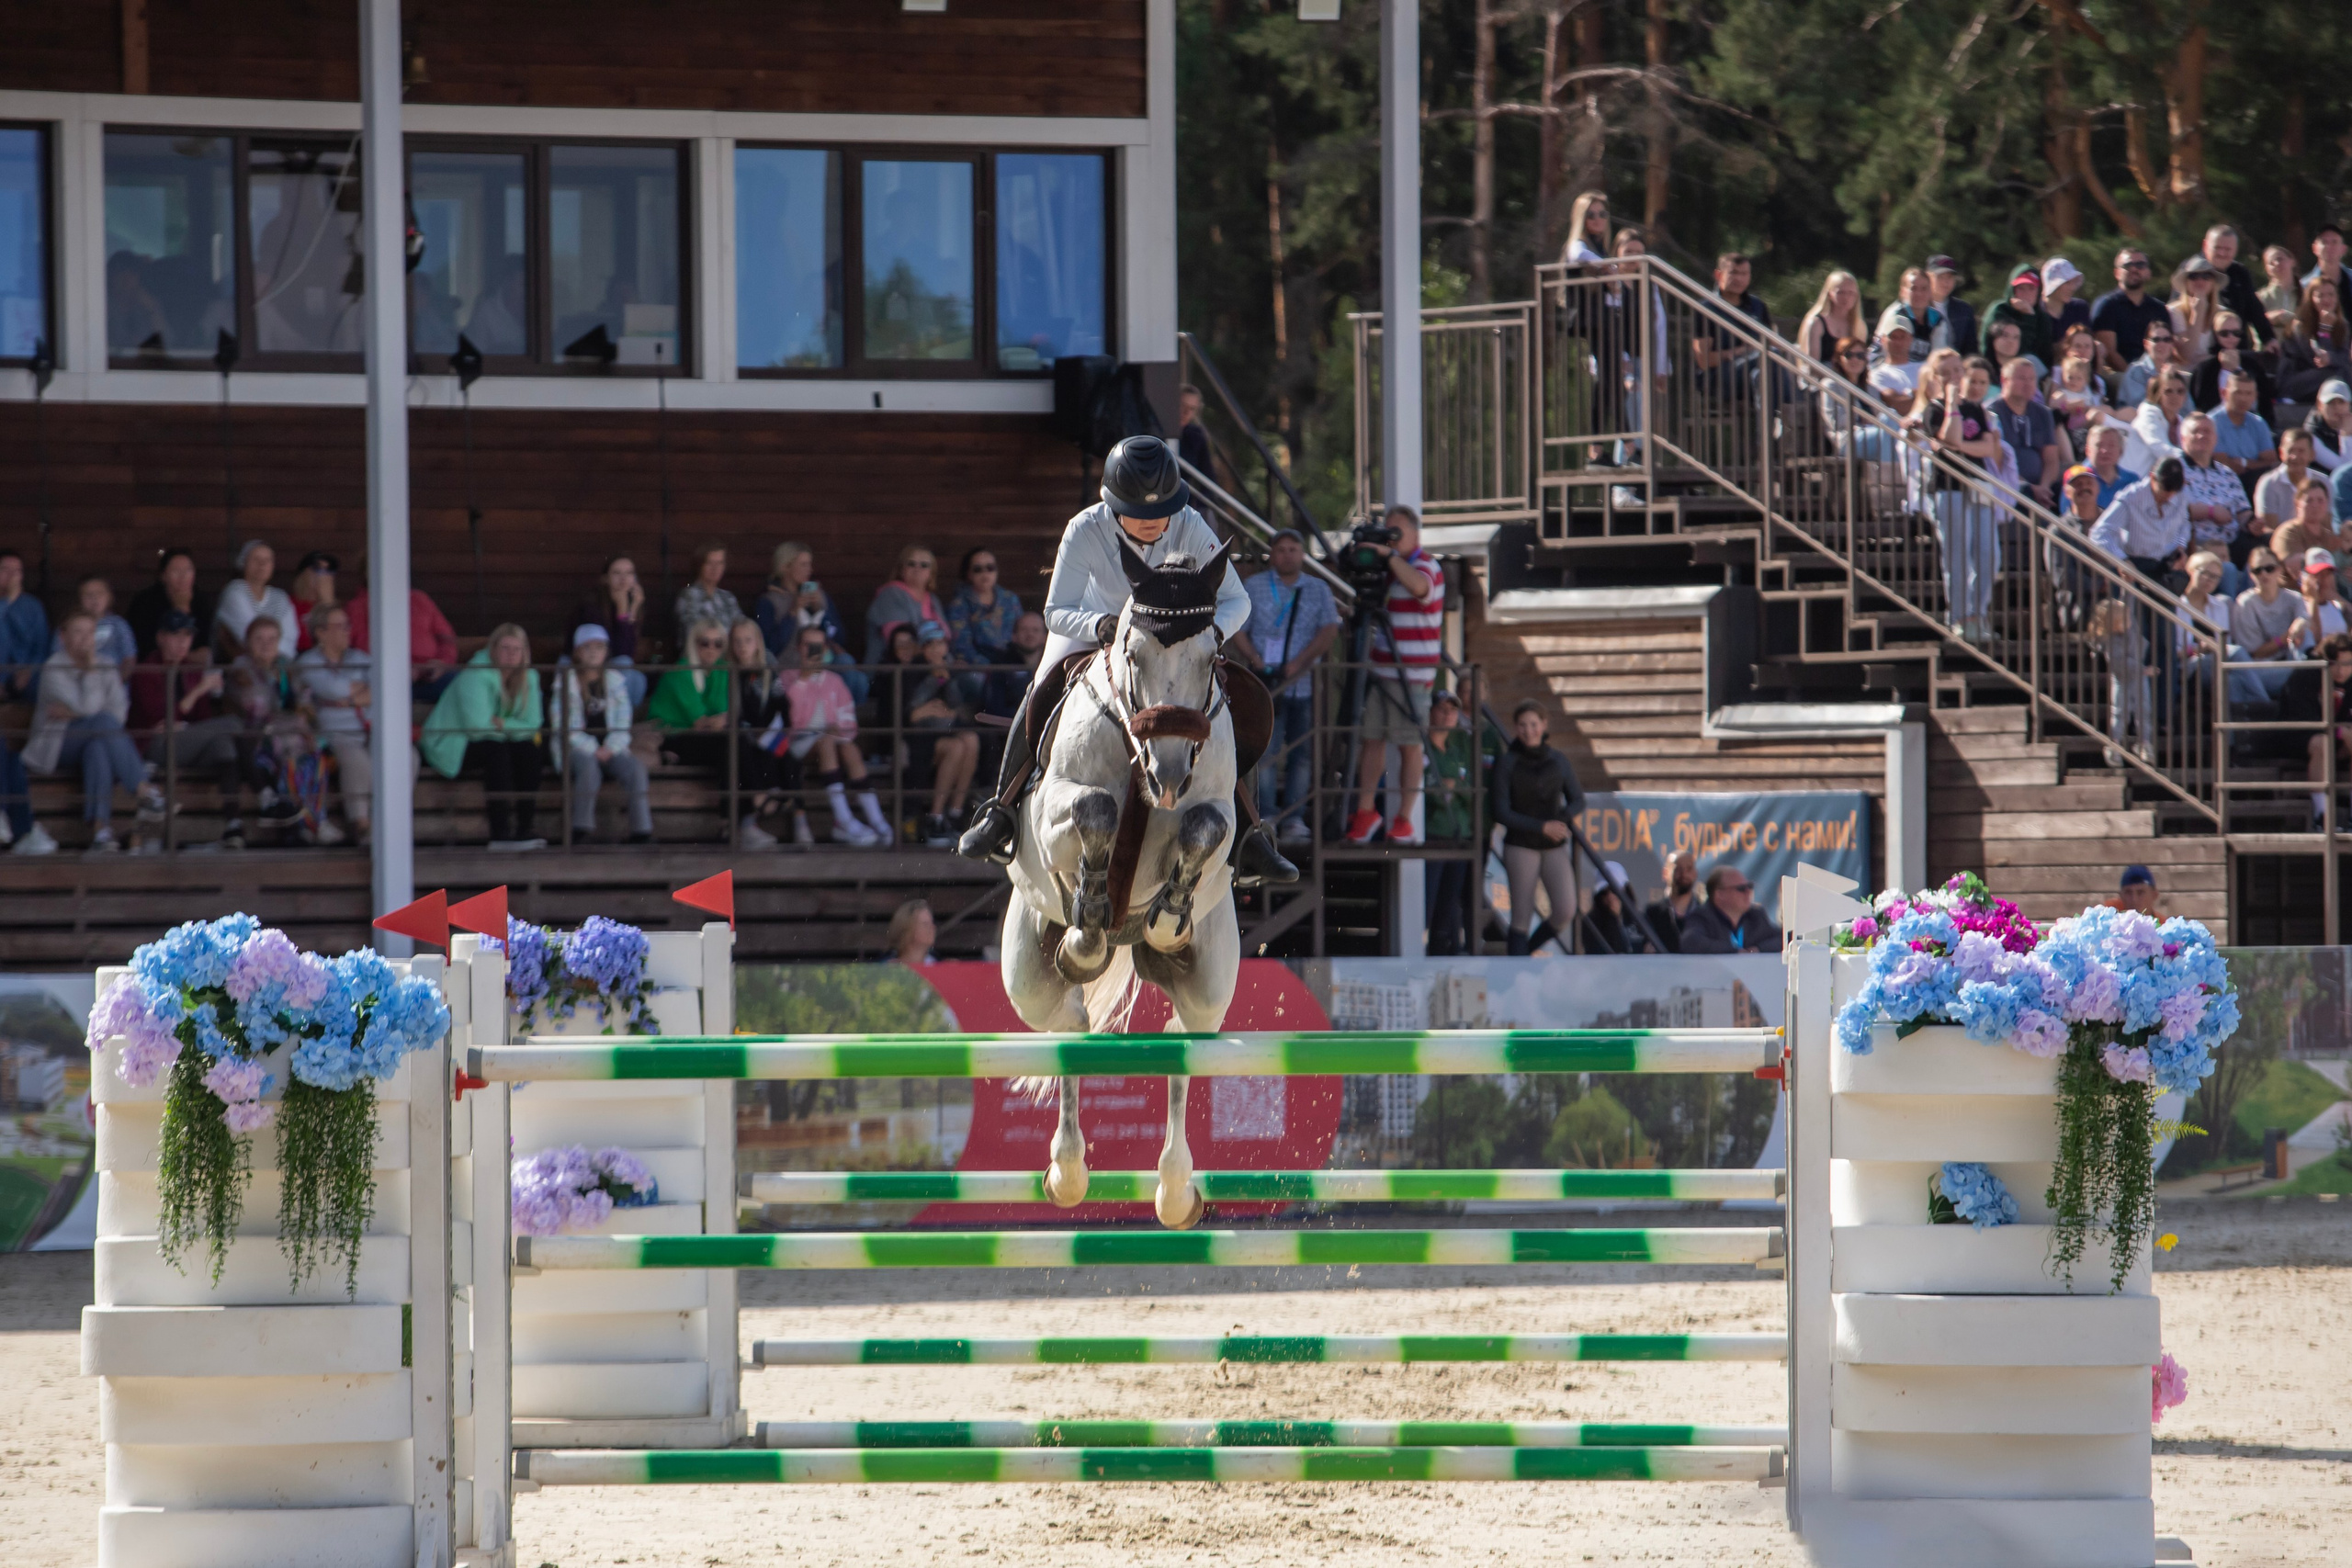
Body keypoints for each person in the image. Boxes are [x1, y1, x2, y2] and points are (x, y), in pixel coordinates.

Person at [955, 434, 1294, 886]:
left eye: (1162, 510)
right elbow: (1056, 611)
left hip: (1173, 644)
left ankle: (1251, 833)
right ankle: (1001, 810)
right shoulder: (1085, 528)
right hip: (1096, 633)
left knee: (1226, 702)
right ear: (1113, 504)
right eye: (1142, 512)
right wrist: (1100, 627)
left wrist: (1209, 635)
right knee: (1042, 688)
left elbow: (1238, 601)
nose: (1156, 521)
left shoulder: (1189, 522)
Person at [1345, 506, 1445, 845]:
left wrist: (1388, 556)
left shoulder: (1425, 565)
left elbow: (1420, 588)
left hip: (1413, 674)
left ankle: (1404, 819)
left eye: (1397, 533)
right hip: (1381, 669)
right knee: (1371, 739)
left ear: (1416, 536)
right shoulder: (1387, 570)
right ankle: (1365, 810)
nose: (1390, 540)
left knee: (1409, 745)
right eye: (1388, 533)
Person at [1232, 528, 1340, 842]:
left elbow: (1329, 628)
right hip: (1266, 685)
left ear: (1302, 554)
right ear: (1272, 555)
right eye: (1281, 550)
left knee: (1302, 754)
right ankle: (1267, 816)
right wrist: (1253, 657)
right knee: (1267, 751)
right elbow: (1238, 627)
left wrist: (1301, 662)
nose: (1287, 555)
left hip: (1303, 684)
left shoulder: (1317, 588)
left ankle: (1294, 818)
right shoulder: (1255, 586)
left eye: (1294, 549)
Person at [23, 612, 153, 852]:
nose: (85, 639)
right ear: (63, 637)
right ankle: (143, 790)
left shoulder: (106, 664)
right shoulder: (54, 666)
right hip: (55, 745)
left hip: (91, 738)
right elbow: (93, 710)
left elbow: (119, 713)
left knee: (99, 747)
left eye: (90, 632)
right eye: (78, 632)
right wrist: (91, 673)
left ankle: (100, 831)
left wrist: (76, 713)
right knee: (102, 723)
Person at [421, 622, 546, 849]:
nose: (511, 654)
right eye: (505, 648)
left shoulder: (530, 677)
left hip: (495, 738)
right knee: (497, 750)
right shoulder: (475, 674)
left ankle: (525, 828)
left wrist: (503, 724)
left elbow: (534, 723)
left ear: (524, 652)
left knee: (529, 750)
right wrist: (512, 727)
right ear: (493, 649)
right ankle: (500, 835)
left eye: (516, 649)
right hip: (450, 741)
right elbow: (476, 726)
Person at [1906, 348, 2001, 644]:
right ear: (1934, 378)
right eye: (1945, 373)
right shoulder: (1933, 410)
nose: (1954, 378)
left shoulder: (1978, 409)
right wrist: (1951, 405)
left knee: (1989, 556)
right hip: (1949, 488)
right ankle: (1959, 617)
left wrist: (1959, 446)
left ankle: (1978, 613)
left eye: (1957, 371)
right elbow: (1948, 437)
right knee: (1958, 556)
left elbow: (1989, 448)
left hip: (1978, 487)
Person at [128, 608, 242, 844]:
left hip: (188, 743)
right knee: (233, 724)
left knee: (223, 744)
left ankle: (233, 824)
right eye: (175, 635)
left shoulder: (192, 670)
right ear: (161, 638)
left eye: (187, 636)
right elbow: (157, 719)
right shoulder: (146, 670)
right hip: (154, 746)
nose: (182, 642)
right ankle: (266, 789)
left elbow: (202, 720)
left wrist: (187, 721)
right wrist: (199, 691)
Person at [773, 622, 889, 847]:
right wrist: (804, 679)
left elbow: (848, 718)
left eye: (818, 646)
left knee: (850, 747)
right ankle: (843, 820)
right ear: (799, 648)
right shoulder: (786, 678)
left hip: (830, 743)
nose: (813, 651)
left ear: (825, 649)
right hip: (796, 743)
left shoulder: (834, 681)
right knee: (827, 742)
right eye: (808, 645)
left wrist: (839, 730)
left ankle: (876, 819)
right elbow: (788, 719)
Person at [1489, 699, 1582, 956]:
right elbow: (1501, 811)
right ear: (1516, 728)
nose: (1528, 730)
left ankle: (1525, 952)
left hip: (1553, 844)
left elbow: (1578, 799)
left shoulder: (1558, 760)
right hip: (1521, 844)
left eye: (1533, 724)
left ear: (1543, 725)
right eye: (1522, 725)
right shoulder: (1508, 762)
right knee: (1521, 914)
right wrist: (1541, 827)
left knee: (1566, 909)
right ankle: (1516, 969)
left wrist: (1561, 821)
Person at [549, 624, 652, 845]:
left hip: (610, 748)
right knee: (588, 766)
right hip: (576, 749)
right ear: (577, 652)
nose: (594, 652)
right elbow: (563, 726)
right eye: (587, 647)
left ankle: (641, 831)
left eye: (599, 647)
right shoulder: (565, 682)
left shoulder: (616, 681)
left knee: (636, 769)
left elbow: (624, 723)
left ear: (606, 651)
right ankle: (581, 830)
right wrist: (594, 749)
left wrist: (610, 748)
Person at [222, 616, 314, 846]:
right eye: (259, 639)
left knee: (306, 752)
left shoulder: (287, 665)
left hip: (286, 735)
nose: (266, 644)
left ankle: (303, 822)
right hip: (253, 735)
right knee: (283, 749)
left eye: (272, 639)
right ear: (248, 642)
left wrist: (298, 715)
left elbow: (305, 700)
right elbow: (255, 705)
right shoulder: (241, 668)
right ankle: (292, 825)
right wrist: (291, 717)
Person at [293, 603, 378, 843]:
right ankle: (363, 826)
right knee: (355, 759)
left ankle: (391, 822)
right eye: (339, 626)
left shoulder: (360, 657)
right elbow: (333, 688)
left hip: (370, 730)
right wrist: (362, 691)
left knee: (407, 756)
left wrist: (348, 701)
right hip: (334, 734)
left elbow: (382, 687)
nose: (347, 631)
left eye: (347, 625)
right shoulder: (309, 661)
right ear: (320, 632)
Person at [895, 620, 980, 846]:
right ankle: (935, 817)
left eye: (939, 643)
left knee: (971, 740)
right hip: (919, 737)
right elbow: (911, 710)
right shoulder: (912, 670)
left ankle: (954, 813)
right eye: (929, 644)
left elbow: (955, 704)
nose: (935, 649)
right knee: (957, 747)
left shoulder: (950, 668)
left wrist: (946, 680)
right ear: (922, 648)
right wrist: (934, 679)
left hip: (944, 729)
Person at [1421, 689, 1478, 956]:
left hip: (1459, 836)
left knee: (1450, 905)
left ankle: (1442, 954)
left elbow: (1469, 791)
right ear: (1431, 712)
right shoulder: (1421, 749)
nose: (1447, 716)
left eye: (1452, 711)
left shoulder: (1457, 751)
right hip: (1432, 835)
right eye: (1442, 709)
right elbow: (1422, 791)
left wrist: (1453, 788)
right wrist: (1442, 788)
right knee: (1427, 905)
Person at [347, 574, 461, 702]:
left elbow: (447, 638)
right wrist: (400, 670)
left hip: (429, 675)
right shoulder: (357, 607)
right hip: (383, 680)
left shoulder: (420, 599)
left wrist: (443, 662)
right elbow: (359, 648)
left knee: (465, 684)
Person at [2176, 412, 2256, 582]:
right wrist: (2210, 512)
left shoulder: (2227, 473)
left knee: (2260, 564)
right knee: (2227, 570)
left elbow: (2242, 512)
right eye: (2196, 431)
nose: (2202, 435)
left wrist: (2252, 523)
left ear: (2215, 438)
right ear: (2183, 438)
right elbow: (2171, 507)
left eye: (2207, 431)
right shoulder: (2174, 470)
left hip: (2232, 542)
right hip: (2194, 543)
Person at [2091, 457, 2192, 586]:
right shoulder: (2131, 497)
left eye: (2173, 491)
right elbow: (2099, 533)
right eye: (2164, 490)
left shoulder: (2181, 495)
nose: (2169, 496)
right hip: (2135, 568)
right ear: (2152, 477)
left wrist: (2180, 548)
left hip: (2167, 568)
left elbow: (2184, 523)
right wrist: (2122, 560)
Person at [1690, 251, 1775, 399]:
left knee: (1774, 363)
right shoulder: (1706, 308)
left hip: (1757, 372)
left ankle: (1785, 412)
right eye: (1733, 273)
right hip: (1720, 377)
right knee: (1768, 361)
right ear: (1718, 275)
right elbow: (1703, 361)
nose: (1739, 279)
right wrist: (1741, 351)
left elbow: (1773, 342)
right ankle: (1784, 415)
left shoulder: (1757, 305)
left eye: (1744, 274)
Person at [1991, 354, 2068, 508]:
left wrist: (2044, 487)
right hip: (2007, 485)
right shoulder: (1992, 413)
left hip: (2042, 486)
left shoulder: (2043, 413)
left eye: (2032, 379)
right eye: (2021, 378)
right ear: (2004, 381)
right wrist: (2031, 489)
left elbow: (2051, 459)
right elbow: (1996, 461)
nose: (2027, 384)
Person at [573, 553, 650, 705]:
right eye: (617, 573)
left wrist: (632, 610)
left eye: (629, 573)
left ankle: (623, 722)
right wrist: (623, 611)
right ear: (605, 578)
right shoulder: (592, 606)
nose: (623, 578)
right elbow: (618, 651)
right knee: (624, 663)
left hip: (614, 665)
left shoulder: (633, 604)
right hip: (589, 663)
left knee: (638, 679)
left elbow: (629, 651)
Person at [2230, 548, 2301, 705]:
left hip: (2293, 662)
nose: (2264, 574)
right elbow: (2255, 653)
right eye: (2257, 570)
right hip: (2260, 669)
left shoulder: (2294, 598)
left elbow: (2309, 634)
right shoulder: (2245, 602)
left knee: (2304, 632)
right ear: (2250, 574)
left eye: (2269, 568)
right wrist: (2287, 636)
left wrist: (2302, 622)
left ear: (2280, 569)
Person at [212, 540, 300, 663]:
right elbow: (248, 636)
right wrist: (269, 652)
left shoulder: (280, 597)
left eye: (267, 560)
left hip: (277, 666)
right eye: (256, 559)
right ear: (244, 563)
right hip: (239, 670)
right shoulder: (235, 591)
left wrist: (271, 657)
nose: (262, 564)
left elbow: (290, 637)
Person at [2090, 246, 2171, 378]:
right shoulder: (2106, 305)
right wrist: (2135, 377)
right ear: (2117, 273)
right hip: (2119, 374)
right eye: (2127, 265)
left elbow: (2167, 347)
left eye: (2140, 265)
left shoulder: (2159, 309)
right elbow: (2110, 353)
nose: (2134, 269)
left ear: (2148, 272)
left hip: (2155, 374)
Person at [864, 544, 946, 665]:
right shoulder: (891, 594)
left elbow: (946, 635)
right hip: (893, 670)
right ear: (902, 570)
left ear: (931, 573)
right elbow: (900, 644)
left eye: (924, 565)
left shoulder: (934, 600)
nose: (917, 568)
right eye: (911, 564)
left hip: (931, 665)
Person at [125, 547, 214, 658]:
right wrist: (180, 609)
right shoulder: (144, 603)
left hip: (192, 671)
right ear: (163, 576)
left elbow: (206, 647)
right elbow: (145, 647)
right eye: (176, 571)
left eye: (188, 570)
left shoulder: (202, 602)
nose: (183, 577)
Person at [2187, 313, 2275, 421]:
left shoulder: (2252, 365)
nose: (2231, 337)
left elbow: (2263, 402)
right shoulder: (2205, 369)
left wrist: (2236, 370)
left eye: (2236, 333)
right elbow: (2202, 403)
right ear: (2215, 334)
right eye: (2224, 333)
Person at [1679, 864, 1783, 953]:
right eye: (1741, 889)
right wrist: (1735, 952)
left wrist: (1758, 949)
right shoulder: (1702, 917)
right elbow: (1690, 942)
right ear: (1720, 894)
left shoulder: (1756, 915)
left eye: (1749, 886)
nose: (1748, 892)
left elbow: (1783, 940)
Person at [945, 546, 1023, 667]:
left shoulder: (1010, 599)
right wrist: (990, 668)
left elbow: (1021, 633)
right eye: (977, 569)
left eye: (990, 568)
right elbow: (961, 644)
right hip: (978, 667)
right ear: (969, 574)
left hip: (1010, 664)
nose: (985, 573)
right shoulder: (959, 605)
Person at [2277, 279, 2349, 406]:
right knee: (2335, 373)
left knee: (2343, 370)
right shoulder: (2300, 326)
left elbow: (2344, 357)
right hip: (2295, 379)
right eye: (2320, 296)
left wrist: (2331, 358)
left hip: (2327, 376)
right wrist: (2325, 329)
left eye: (2331, 294)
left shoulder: (2342, 325)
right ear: (2311, 299)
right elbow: (2315, 359)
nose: (2326, 300)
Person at [2202, 224, 2271, 350]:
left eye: (2228, 249)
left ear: (2235, 250)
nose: (2222, 253)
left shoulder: (2240, 273)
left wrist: (2268, 338)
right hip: (2202, 351)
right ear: (2205, 246)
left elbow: (2254, 308)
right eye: (2217, 248)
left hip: (2236, 349)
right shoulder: (2192, 273)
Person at [2308, 632, 2352, 828]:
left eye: (2347, 664)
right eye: (2335, 663)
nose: (2341, 671)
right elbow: (2303, 720)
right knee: (2322, 743)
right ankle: (2322, 817)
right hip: (2302, 740)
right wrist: (2339, 732)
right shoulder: (2306, 676)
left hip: (2342, 743)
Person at [1980, 265, 2055, 370]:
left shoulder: (2043, 319)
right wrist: (2028, 317)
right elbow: (2011, 350)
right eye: (2021, 288)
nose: (2026, 294)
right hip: (1994, 372)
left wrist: (2029, 315)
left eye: (2031, 288)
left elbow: (2043, 355)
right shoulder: (1999, 310)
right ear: (2013, 290)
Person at [2271, 477, 2350, 577]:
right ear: (2297, 504)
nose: (2315, 505)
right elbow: (2293, 567)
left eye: (2320, 500)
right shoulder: (2288, 532)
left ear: (2327, 504)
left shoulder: (2329, 536)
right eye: (2309, 500)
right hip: (2295, 590)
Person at [0, 549, 48, 714]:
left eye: (17, 571)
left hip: (25, 673)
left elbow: (41, 645)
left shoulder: (32, 606)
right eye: (6, 570)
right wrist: (8, 601)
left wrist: (29, 670)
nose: (13, 576)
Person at [53, 576, 136, 670]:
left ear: (109, 597)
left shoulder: (119, 624)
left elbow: (129, 657)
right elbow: (57, 655)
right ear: (79, 599)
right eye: (88, 594)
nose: (94, 598)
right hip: (72, 679)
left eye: (99, 593)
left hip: (112, 679)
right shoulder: (67, 624)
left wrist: (116, 681)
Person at [2256, 427, 2320, 536]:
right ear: (2281, 453)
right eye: (2290, 451)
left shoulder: (2323, 482)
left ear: (2312, 454)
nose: (2295, 457)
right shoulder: (2269, 483)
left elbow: (2327, 525)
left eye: (2301, 451)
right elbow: (2268, 529)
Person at [1797, 270, 1868, 365]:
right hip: (1821, 376)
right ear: (1830, 293)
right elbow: (1812, 365)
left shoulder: (1859, 325)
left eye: (1851, 293)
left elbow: (1860, 362)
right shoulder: (1817, 323)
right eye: (1841, 292)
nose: (1846, 297)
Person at [673, 542, 741, 640]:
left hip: (728, 653)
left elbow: (742, 628)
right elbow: (693, 634)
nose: (715, 568)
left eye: (720, 563)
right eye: (709, 563)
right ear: (700, 565)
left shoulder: (728, 598)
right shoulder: (688, 596)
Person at [1874, 269, 1942, 365]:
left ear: (1931, 292)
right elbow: (1878, 351)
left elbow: (1940, 356)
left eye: (1924, 289)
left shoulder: (1936, 319)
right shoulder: (1894, 315)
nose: (1919, 294)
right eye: (1913, 288)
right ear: (1903, 291)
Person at [2116, 320, 2184, 412]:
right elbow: (2140, 407)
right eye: (2156, 340)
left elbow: (2187, 409)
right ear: (2146, 344)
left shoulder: (2176, 373)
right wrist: (2165, 380)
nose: (2162, 344)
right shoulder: (2136, 371)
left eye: (2167, 340)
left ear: (2172, 344)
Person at [2168, 254, 2225, 364]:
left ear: (2213, 282)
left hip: (2212, 371)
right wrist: (2197, 313)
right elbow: (2187, 355)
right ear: (2186, 282)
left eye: (2206, 276)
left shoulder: (2222, 313)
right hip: (2182, 374)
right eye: (2193, 276)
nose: (2200, 280)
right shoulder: (2173, 312)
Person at [1642, 849, 1699, 954]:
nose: (1684, 874)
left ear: (1695, 874)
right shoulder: (1651, 914)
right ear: (1665, 873)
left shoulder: (1705, 914)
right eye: (1678, 869)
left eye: (1689, 869)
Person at [2132, 369, 2191, 465]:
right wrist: (2190, 459)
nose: (2174, 396)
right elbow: (2159, 447)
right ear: (2159, 394)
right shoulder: (2148, 415)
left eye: (2180, 391)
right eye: (2168, 391)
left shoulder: (2181, 422)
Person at [287, 551, 339, 653]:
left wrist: (327, 603)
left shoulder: (336, 609)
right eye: (318, 569)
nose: (323, 575)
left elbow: (337, 642)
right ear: (303, 574)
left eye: (329, 570)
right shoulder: (288, 604)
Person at [1925, 255, 1976, 357]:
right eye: (1940, 277)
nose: (1946, 282)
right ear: (1927, 277)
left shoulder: (1964, 311)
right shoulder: (1918, 309)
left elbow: (1971, 351)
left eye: (1950, 277)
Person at [1866, 320, 1921, 415]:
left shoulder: (1924, 368)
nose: (1898, 342)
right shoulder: (1877, 374)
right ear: (1883, 340)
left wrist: (1912, 395)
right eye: (1893, 337)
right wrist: (1924, 395)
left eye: (1902, 337)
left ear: (1911, 339)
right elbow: (1897, 405)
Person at [2084, 424, 2143, 508]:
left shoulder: (2133, 482)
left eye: (2111, 445)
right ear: (2087, 450)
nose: (2105, 451)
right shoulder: (2078, 480)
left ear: (2121, 451)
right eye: (2099, 445)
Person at [2040, 254, 2091, 342]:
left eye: (2073, 282)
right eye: (2066, 283)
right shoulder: (2037, 313)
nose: (2072, 288)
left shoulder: (2080, 308)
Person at [2258, 244, 2304, 330]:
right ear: (2267, 269)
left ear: (2292, 261)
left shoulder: (2306, 294)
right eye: (2271, 263)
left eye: (2280, 259)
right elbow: (2253, 323)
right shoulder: (2261, 297)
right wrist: (2274, 317)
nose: (2276, 264)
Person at [1176, 381, 1213, 476]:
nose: (1186, 412)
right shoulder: (1154, 431)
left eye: (1192, 409)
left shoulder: (1196, 436)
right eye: (1183, 405)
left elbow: (1208, 475)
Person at [887, 897, 935, 968]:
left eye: (932, 922)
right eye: (925, 924)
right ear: (907, 927)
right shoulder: (888, 970)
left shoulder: (937, 966)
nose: (932, 927)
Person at [2316, 381, 2352, 475]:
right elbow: (2345, 470)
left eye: (2341, 402)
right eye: (2331, 403)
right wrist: (2346, 436)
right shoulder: (2312, 435)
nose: (2337, 407)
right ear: (2320, 405)